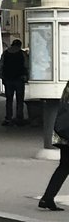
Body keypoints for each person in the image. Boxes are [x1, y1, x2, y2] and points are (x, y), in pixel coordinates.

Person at [37, 81, 69, 211]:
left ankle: (47, 198)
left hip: (64, 134)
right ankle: (47, 198)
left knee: (64, 167)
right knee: (64, 167)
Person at [0, 38, 29, 126]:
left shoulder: (5, 53)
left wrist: (2, 77)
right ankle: (19, 118)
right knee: (20, 100)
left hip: (8, 79)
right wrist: (27, 76)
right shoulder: (22, 53)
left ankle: (8, 118)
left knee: (9, 100)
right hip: (19, 79)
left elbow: (1, 66)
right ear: (19, 45)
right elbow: (26, 65)